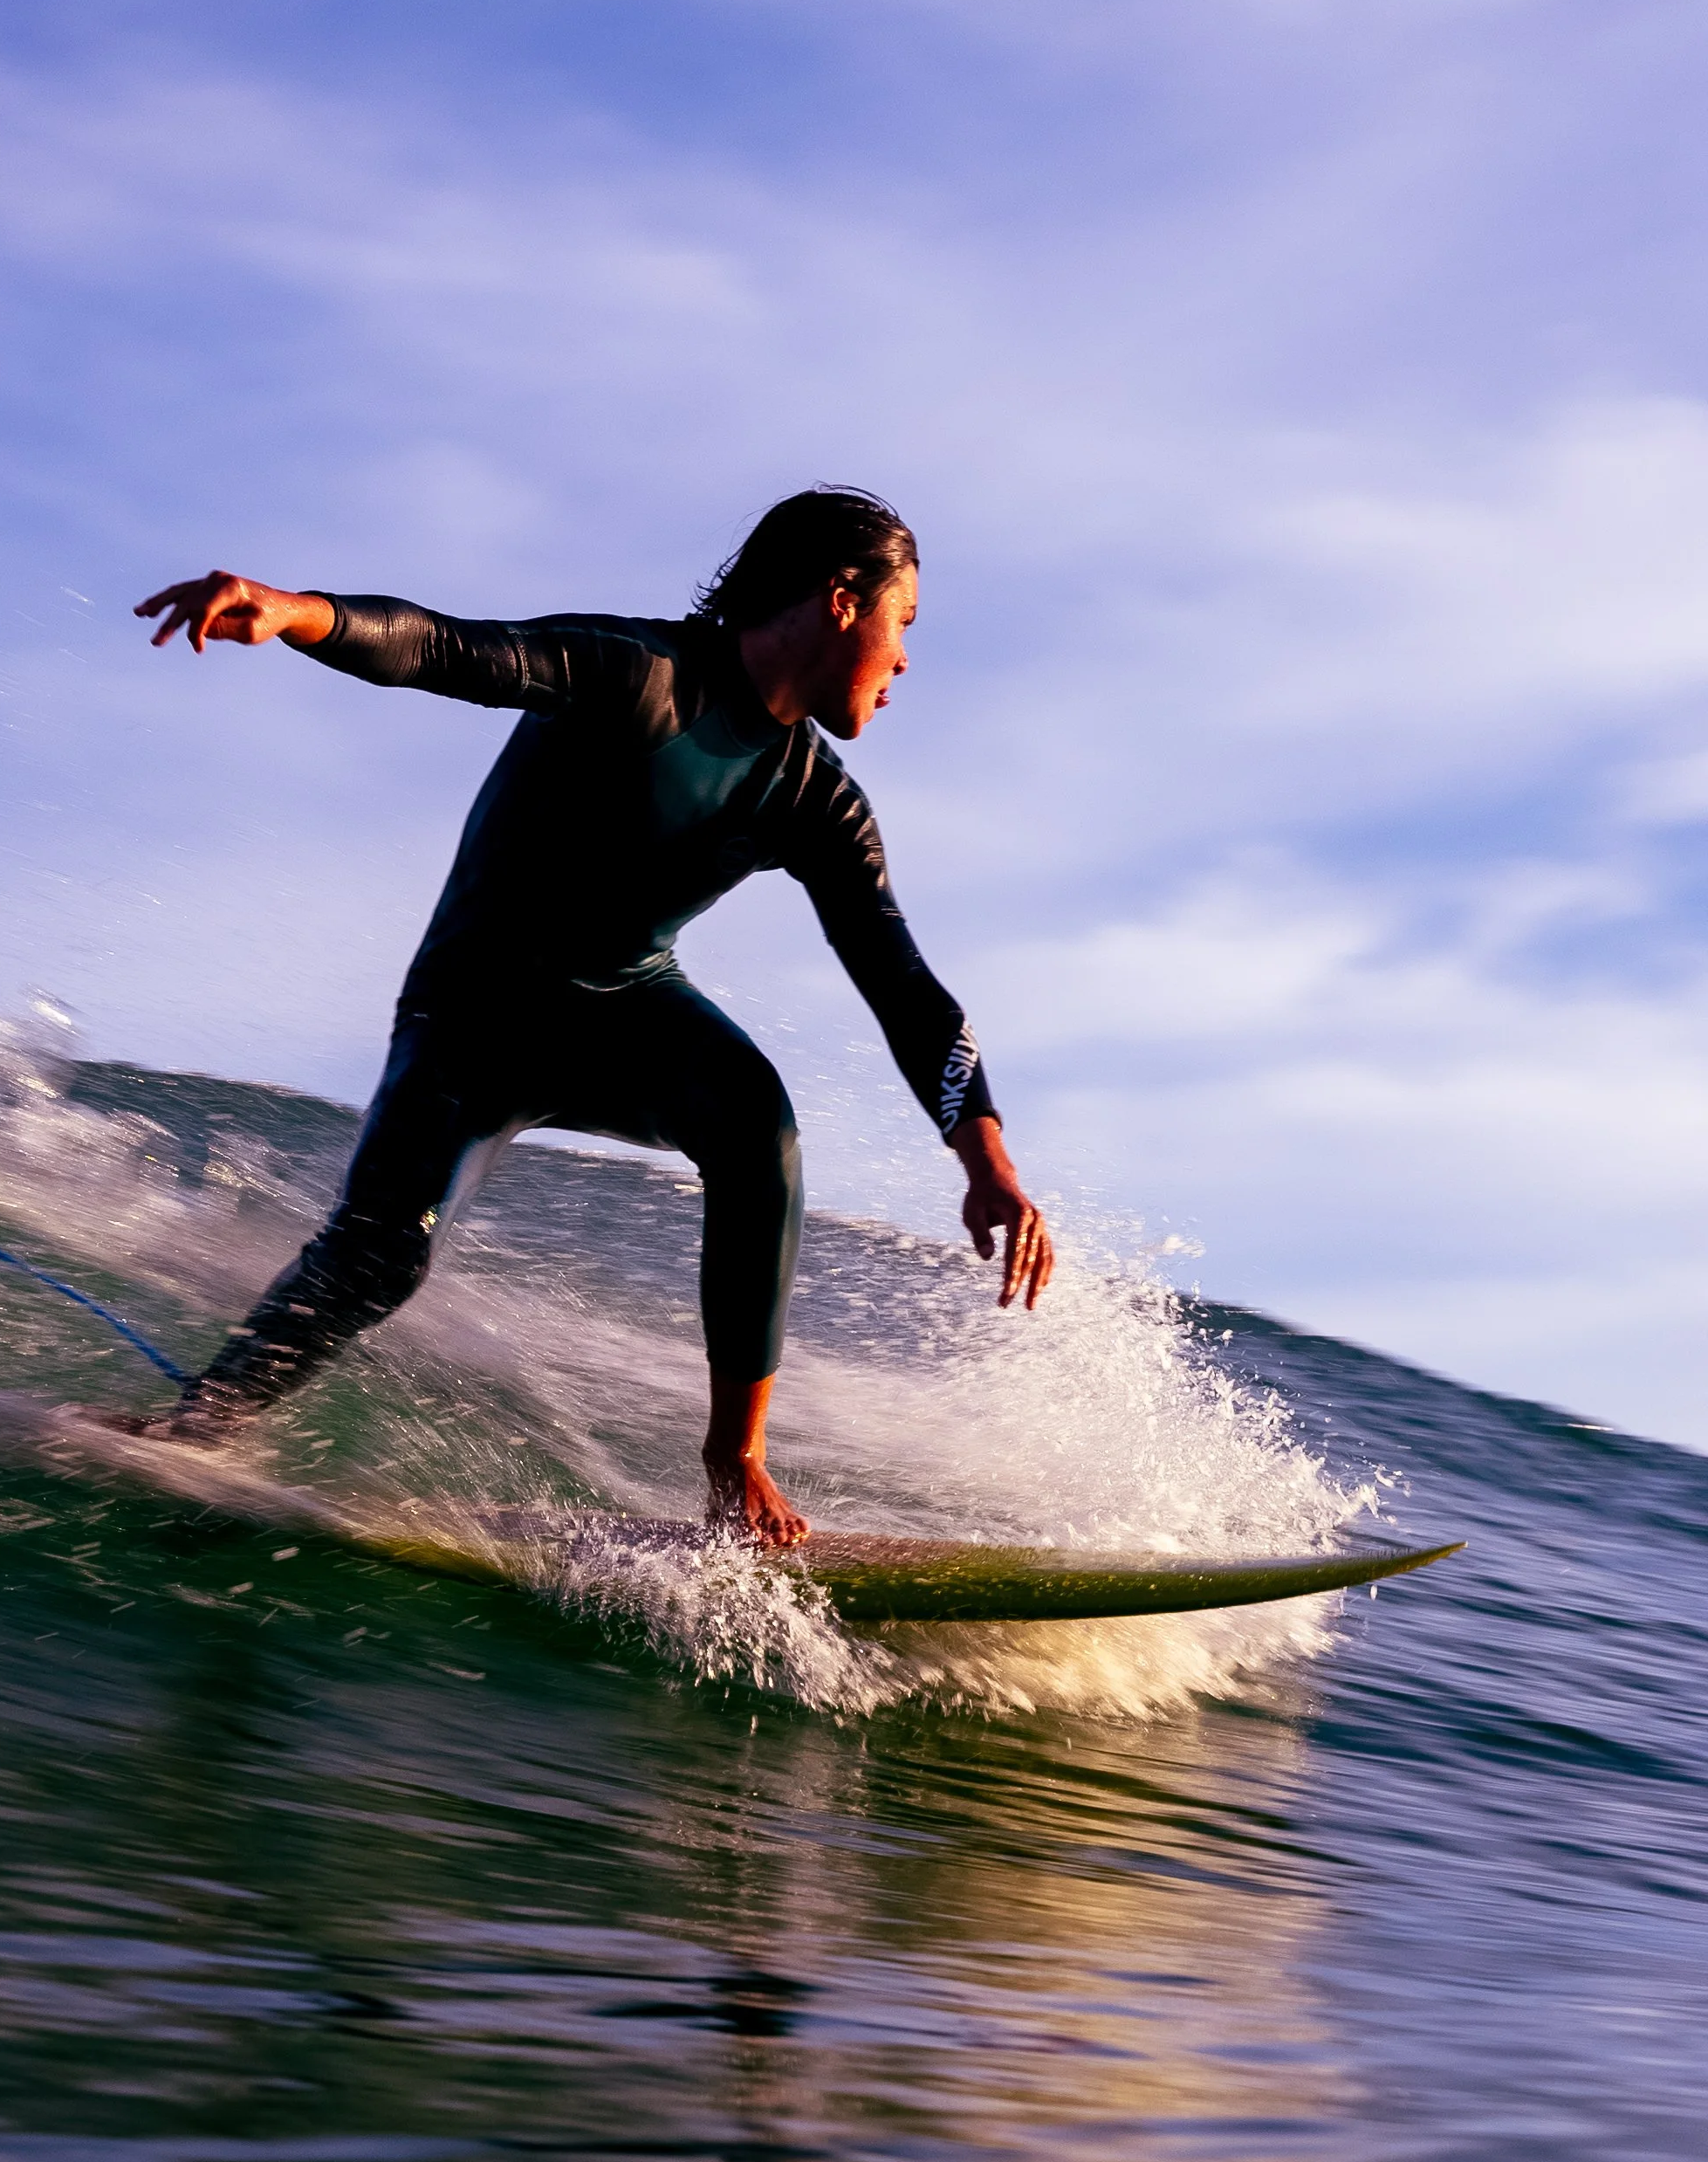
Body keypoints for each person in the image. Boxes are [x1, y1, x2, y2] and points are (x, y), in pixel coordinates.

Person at [131, 487, 1053, 1547]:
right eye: (905, 626)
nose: (903, 665)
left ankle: (733, 1464)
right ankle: (192, 1429)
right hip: (471, 1020)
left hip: (624, 1007)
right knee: (382, 1255)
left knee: (756, 1125)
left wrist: (984, 1158)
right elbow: (452, 650)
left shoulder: (812, 794)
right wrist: (298, 614)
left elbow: (900, 980)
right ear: (842, 601)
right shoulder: (642, 675)